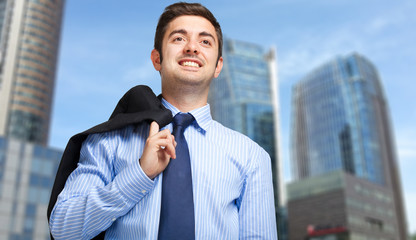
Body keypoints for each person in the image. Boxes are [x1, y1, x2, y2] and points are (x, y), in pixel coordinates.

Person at [49, 2, 277, 239]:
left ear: (218, 66)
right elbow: (63, 229)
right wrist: (138, 174)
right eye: (179, 39)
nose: (192, 48)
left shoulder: (250, 156)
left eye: (205, 41)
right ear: (156, 59)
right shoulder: (109, 140)